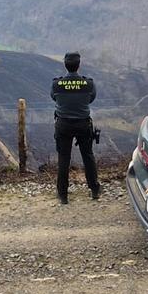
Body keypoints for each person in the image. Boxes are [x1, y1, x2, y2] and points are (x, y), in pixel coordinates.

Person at [51, 52, 101, 204]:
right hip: (83, 124)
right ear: (79, 65)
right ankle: (94, 190)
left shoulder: (57, 84)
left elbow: (54, 97)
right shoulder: (89, 84)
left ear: (65, 65)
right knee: (88, 156)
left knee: (64, 158)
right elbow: (91, 99)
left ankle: (63, 194)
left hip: (63, 124)